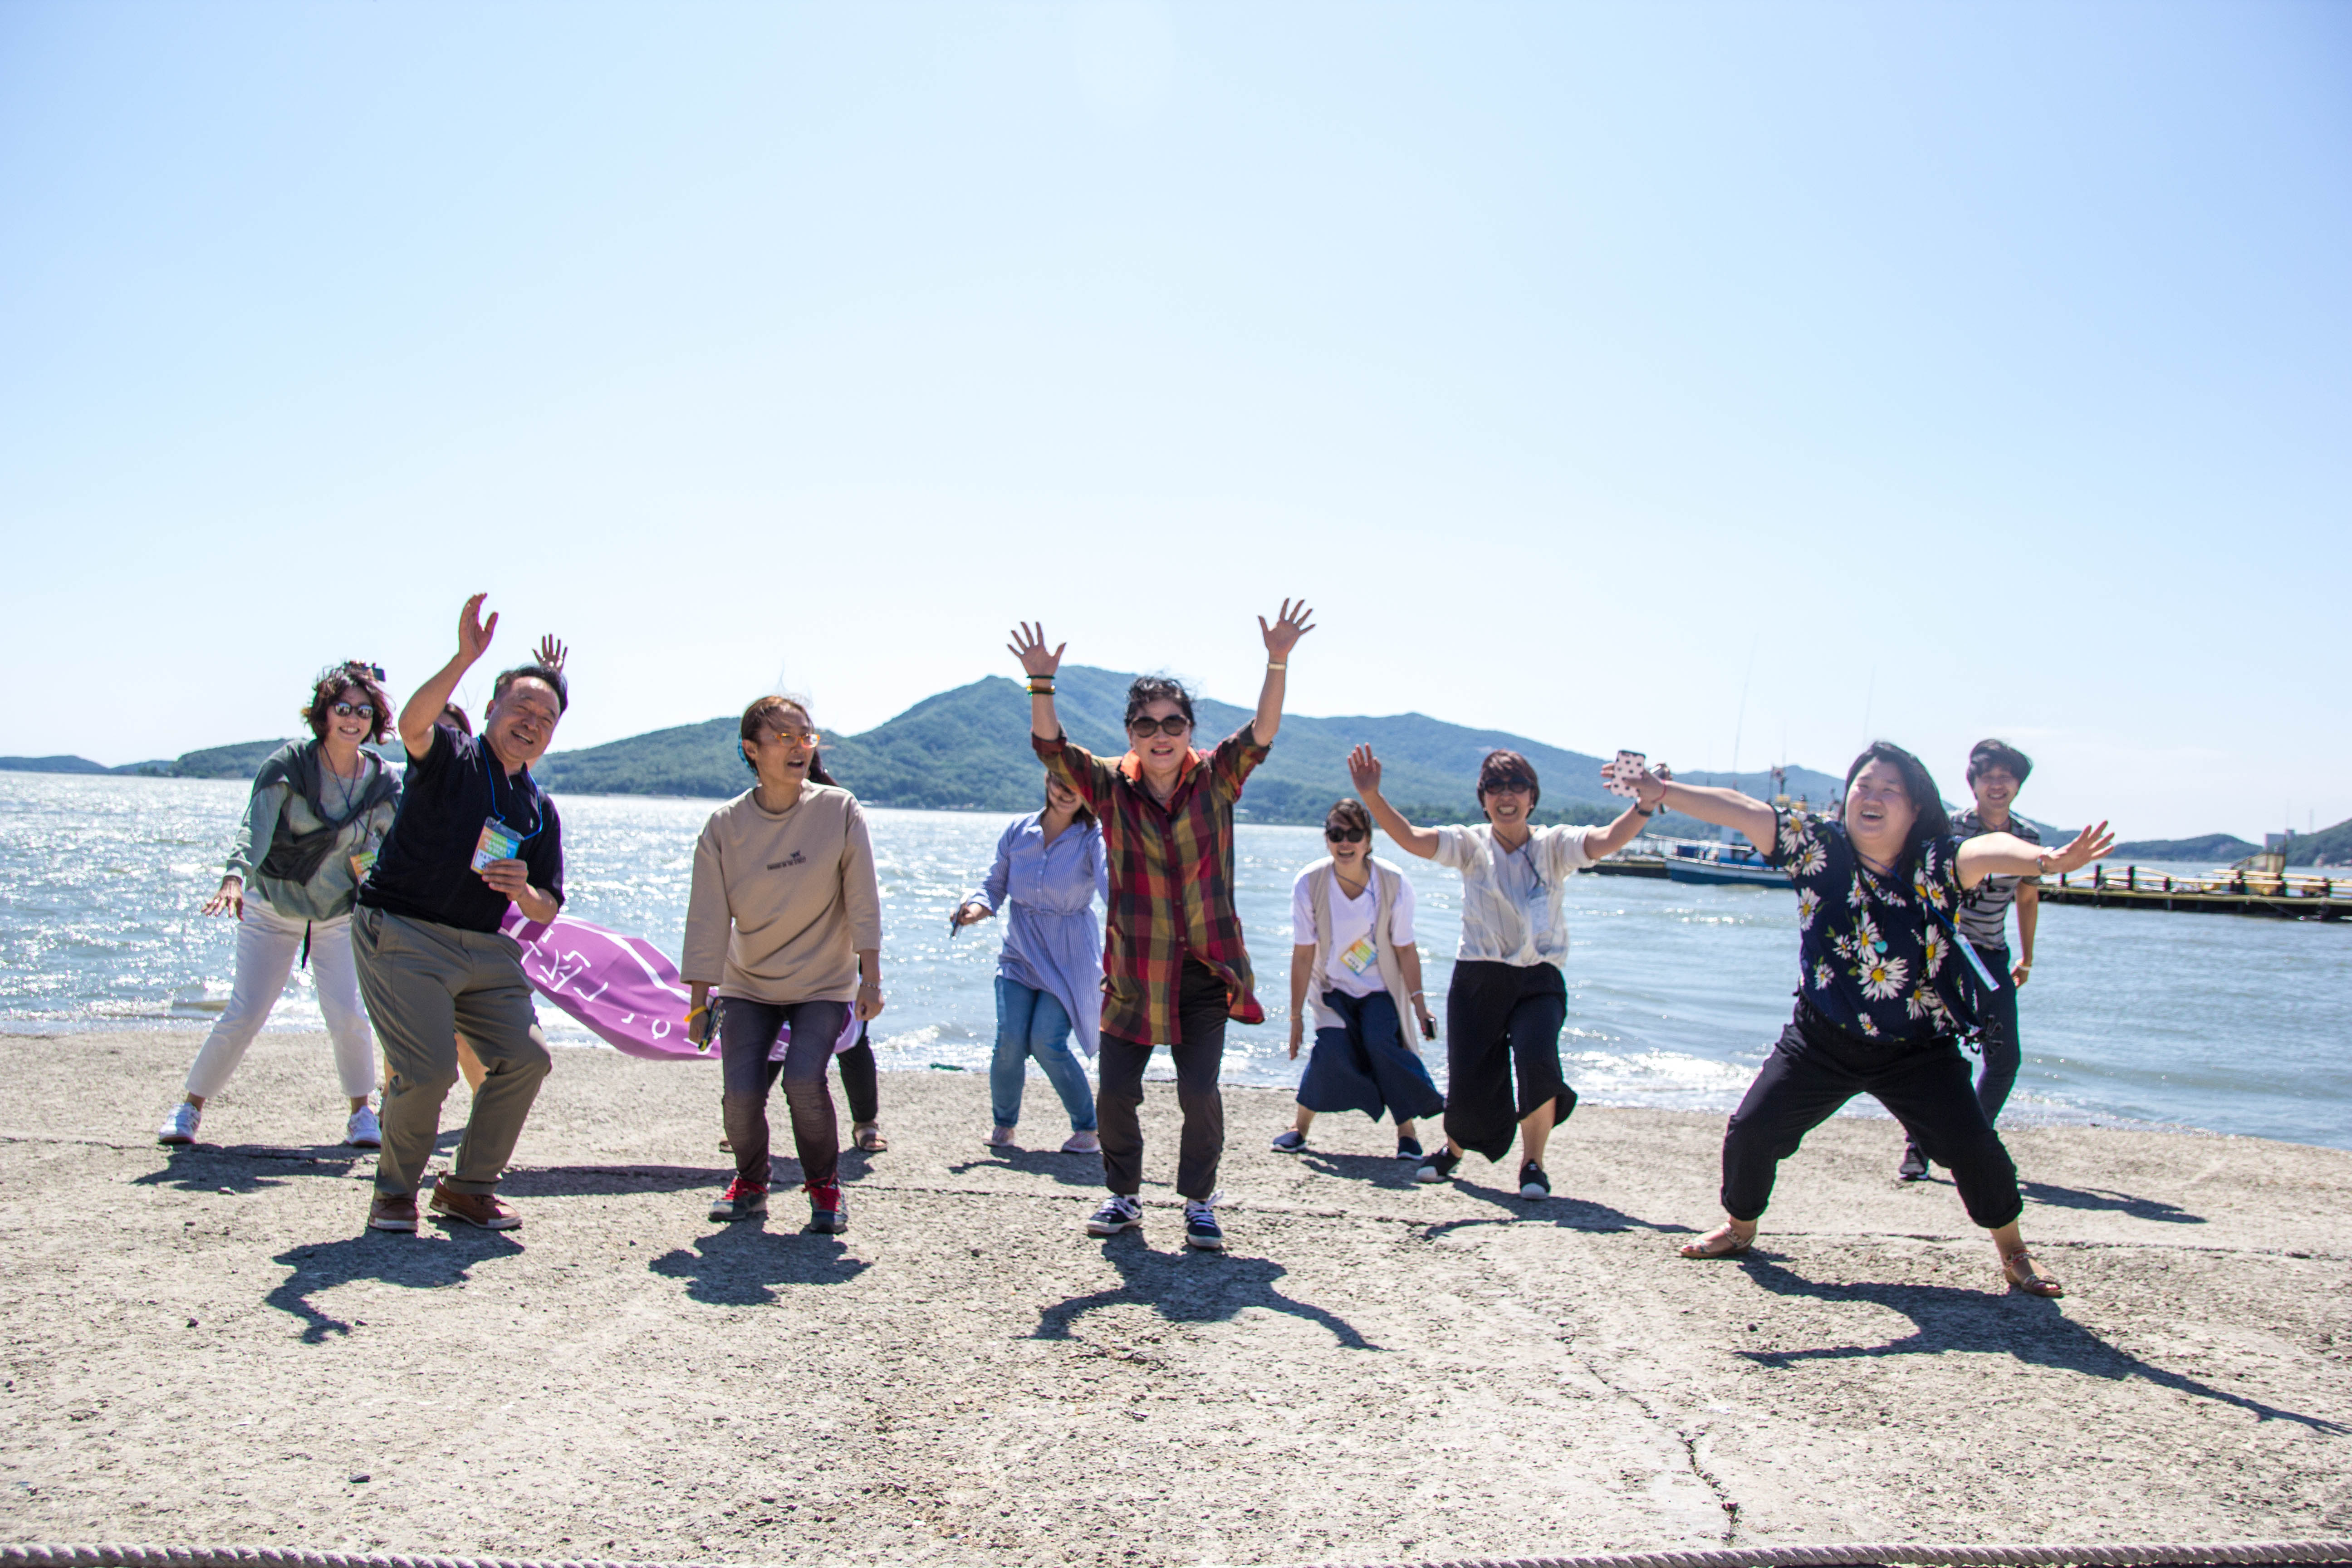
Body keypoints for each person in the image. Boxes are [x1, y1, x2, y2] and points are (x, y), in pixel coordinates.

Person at [1615, 743, 2112, 1296]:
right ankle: (1740, 1227)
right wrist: (1663, 792)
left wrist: (2047, 861)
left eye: (1889, 790)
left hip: (1918, 1050)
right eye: (1863, 786)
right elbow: (1744, 810)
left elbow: (1988, 849)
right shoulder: (1816, 847)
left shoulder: (1937, 860)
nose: (1872, 797)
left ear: (1916, 808)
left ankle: (2014, 1251)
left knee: (1974, 1149)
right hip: (1821, 1039)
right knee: (1752, 1132)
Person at [1012, 602, 1314, 1251]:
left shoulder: (1217, 780)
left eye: (1173, 722)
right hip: (1134, 974)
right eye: (1146, 724)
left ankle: (1200, 1202)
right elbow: (1052, 749)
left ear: (1189, 730)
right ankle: (1123, 1195)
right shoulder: (1109, 789)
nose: (1161, 734)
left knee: (1199, 1092)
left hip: (1205, 969)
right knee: (1116, 1094)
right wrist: (1041, 684)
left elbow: (1262, 733)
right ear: (1130, 733)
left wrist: (1277, 661)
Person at [1351, 745, 1657, 1199]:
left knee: (1537, 1059)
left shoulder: (1555, 845)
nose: (1506, 795)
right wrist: (1372, 797)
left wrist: (1645, 805)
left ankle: (1534, 1165)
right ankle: (1454, 1149)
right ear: (1484, 799)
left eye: (1517, 785)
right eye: (1495, 787)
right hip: (1479, 977)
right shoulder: (1469, 844)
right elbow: (1413, 838)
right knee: (1469, 1076)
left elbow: (1607, 839)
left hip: (1539, 979)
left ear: (1533, 797)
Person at [353, 596, 568, 1233]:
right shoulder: (452, 756)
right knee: (426, 1073)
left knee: (526, 1059)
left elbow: (547, 907)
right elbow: (412, 725)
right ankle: (395, 1193)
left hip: (483, 947)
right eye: (521, 707)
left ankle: (468, 1188)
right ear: (492, 708)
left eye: (547, 717)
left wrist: (522, 891)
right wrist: (463, 658)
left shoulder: (538, 808)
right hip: (404, 931)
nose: (532, 722)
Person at [158, 662, 402, 1149]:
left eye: (364, 711)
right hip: (272, 904)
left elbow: (398, 850)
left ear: (375, 720)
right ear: (324, 713)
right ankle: (189, 1108)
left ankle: (362, 1113)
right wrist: (235, 875)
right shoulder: (289, 765)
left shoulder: (383, 782)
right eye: (343, 708)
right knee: (246, 1012)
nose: (353, 719)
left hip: (337, 913)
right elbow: (255, 829)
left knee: (347, 1014)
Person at [684, 695, 884, 1235]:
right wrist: (698, 1004)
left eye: (806, 736)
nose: (800, 747)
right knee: (741, 1094)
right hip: (749, 982)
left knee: (803, 1080)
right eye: (784, 737)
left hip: (824, 982)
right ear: (751, 750)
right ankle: (751, 1184)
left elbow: (863, 898)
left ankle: (825, 1186)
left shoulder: (839, 810)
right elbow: (707, 918)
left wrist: (871, 977)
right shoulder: (724, 825)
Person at [1899, 739, 2042, 1181]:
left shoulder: (2029, 838)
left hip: (1992, 956)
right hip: (1942, 953)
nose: (1997, 785)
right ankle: (1918, 1148)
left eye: (2006, 777)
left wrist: (2028, 957)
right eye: (1988, 777)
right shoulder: (1951, 828)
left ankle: (1968, 1140)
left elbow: (2027, 898)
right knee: (1933, 1051)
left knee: (2004, 1058)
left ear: (2018, 784)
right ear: (1973, 783)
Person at [1272, 798, 1442, 1162]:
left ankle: (1407, 1134)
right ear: (1326, 839)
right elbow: (1303, 954)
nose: (1345, 843)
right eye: (1336, 834)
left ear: (1368, 840)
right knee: (1330, 1048)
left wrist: (1420, 1006)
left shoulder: (1393, 882)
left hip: (1382, 990)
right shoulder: (1309, 882)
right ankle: (1300, 1129)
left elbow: (1406, 948)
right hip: (1333, 990)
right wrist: (1296, 1017)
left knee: (1383, 1043)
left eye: (1354, 834)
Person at [953, 771, 1109, 1154]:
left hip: (1071, 957)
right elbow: (994, 886)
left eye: (1076, 785)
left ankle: (1088, 1128)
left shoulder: (1094, 837)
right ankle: (1004, 1125)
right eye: (1060, 782)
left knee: (1046, 1041)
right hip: (1020, 952)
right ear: (1047, 781)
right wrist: (973, 911)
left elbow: (1111, 887)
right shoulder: (1018, 830)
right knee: (1009, 1039)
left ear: (1087, 791)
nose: (1066, 792)